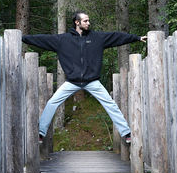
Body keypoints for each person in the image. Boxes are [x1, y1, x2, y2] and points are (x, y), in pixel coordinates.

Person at [22, 11, 147, 144]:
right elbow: (41, 39)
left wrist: (137, 38)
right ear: (77, 22)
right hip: (72, 82)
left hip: (92, 81)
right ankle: (41, 133)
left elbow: (117, 37)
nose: (88, 23)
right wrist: (22, 38)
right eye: (85, 21)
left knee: (110, 104)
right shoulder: (63, 40)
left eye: (88, 21)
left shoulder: (97, 38)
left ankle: (126, 133)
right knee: (52, 103)